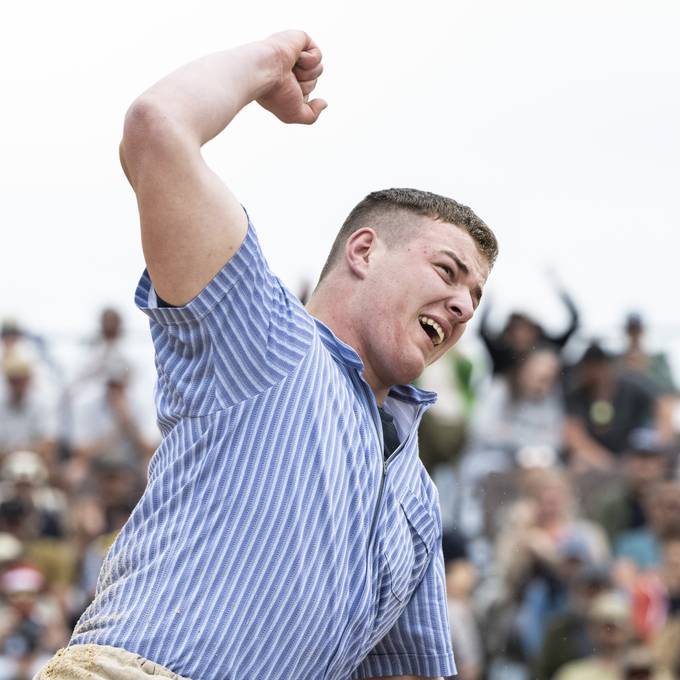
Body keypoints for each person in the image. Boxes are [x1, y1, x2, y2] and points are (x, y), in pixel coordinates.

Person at [35, 31, 498, 680]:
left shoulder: (416, 500)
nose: (462, 305)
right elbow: (156, 129)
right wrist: (271, 61)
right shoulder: (270, 336)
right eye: (448, 271)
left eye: (474, 297)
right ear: (363, 252)